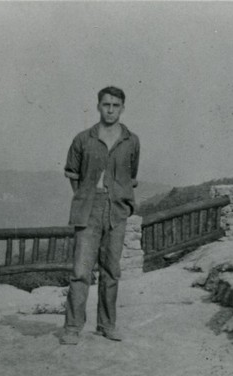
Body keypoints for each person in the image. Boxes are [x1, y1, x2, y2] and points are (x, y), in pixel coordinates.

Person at [60, 86, 140, 345]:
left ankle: (107, 325)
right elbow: (73, 174)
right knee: (81, 271)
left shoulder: (131, 140)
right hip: (89, 208)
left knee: (111, 271)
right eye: (106, 104)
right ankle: (72, 328)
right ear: (98, 106)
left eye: (116, 105)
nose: (110, 110)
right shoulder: (83, 139)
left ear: (123, 108)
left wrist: (120, 201)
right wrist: (87, 197)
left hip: (116, 209)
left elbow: (131, 176)